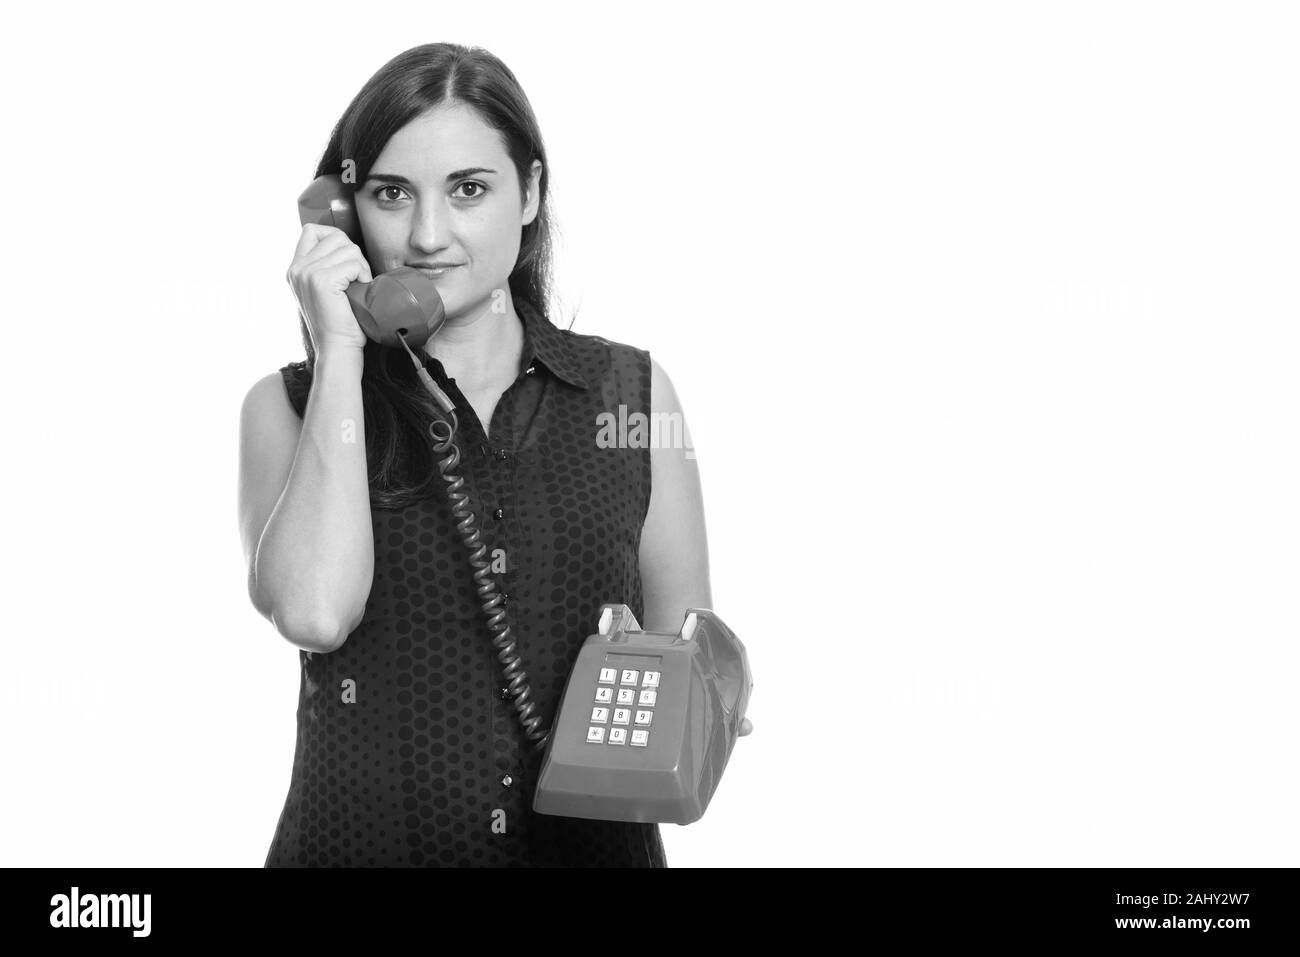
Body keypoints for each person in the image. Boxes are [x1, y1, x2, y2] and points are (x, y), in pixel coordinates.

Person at [237, 42, 743, 867]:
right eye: (391, 194)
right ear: (340, 214)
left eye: (468, 189)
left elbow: (685, 646)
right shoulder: (285, 406)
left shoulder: (638, 398)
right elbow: (315, 613)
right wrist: (340, 354)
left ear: (531, 192)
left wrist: (712, 708)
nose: (427, 234)